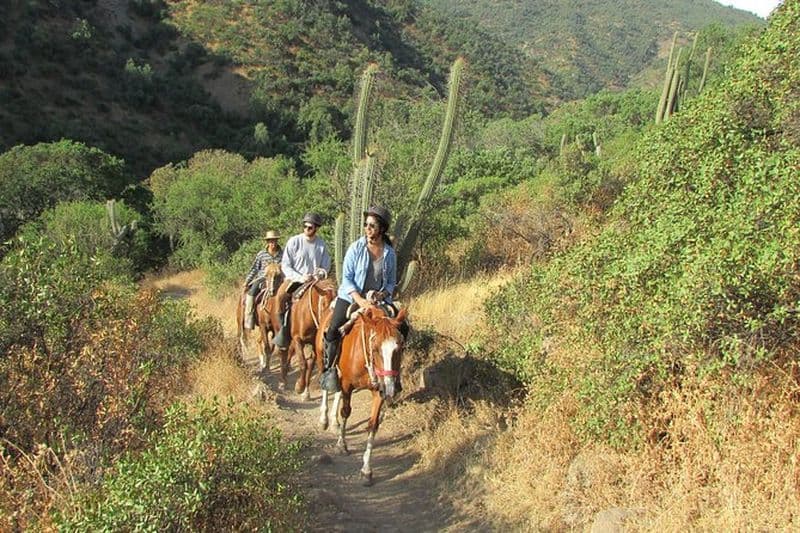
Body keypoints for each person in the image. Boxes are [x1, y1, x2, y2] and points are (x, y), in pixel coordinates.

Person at [320, 206, 409, 393]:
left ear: (381, 229)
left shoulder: (389, 254)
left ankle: (393, 372)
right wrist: (360, 301)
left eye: (372, 225)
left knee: (403, 327)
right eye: (366, 225)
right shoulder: (355, 248)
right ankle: (329, 371)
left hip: (377, 299)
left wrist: (382, 294)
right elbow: (347, 279)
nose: (367, 229)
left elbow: (392, 282)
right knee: (333, 329)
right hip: (351, 296)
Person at [273, 212, 331, 347]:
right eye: (305, 226)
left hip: (315, 281)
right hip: (295, 279)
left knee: (330, 297)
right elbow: (286, 265)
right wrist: (300, 277)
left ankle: (327, 333)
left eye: (310, 227)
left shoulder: (321, 245)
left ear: (316, 228)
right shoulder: (294, 241)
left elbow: (326, 265)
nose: (307, 229)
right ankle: (282, 331)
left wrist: (320, 274)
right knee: (280, 297)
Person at [243, 230, 283, 329]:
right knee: (251, 294)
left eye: (274, 240)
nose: (272, 243)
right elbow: (254, 269)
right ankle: (249, 318)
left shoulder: (283, 254)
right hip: (263, 278)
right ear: (267, 242)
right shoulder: (261, 254)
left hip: (279, 279)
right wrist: (247, 281)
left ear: (277, 241)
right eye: (270, 241)